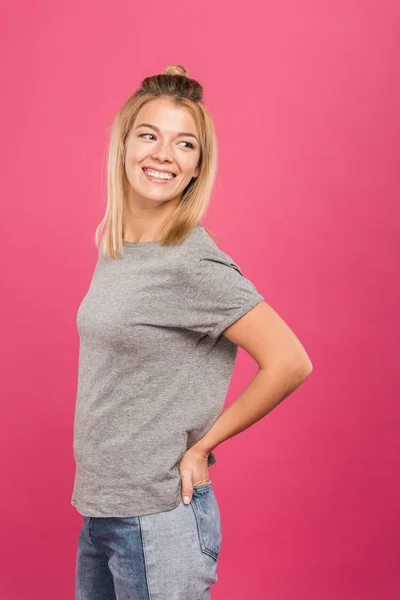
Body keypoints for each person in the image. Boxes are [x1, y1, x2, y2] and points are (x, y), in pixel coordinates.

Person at [72, 64, 313, 600]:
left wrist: (203, 446)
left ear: (198, 166)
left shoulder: (190, 261)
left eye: (185, 144)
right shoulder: (117, 246)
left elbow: (290, 361)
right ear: (124, 145)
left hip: (158, 521)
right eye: (150, 135)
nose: (163, 154)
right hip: (102, 512)